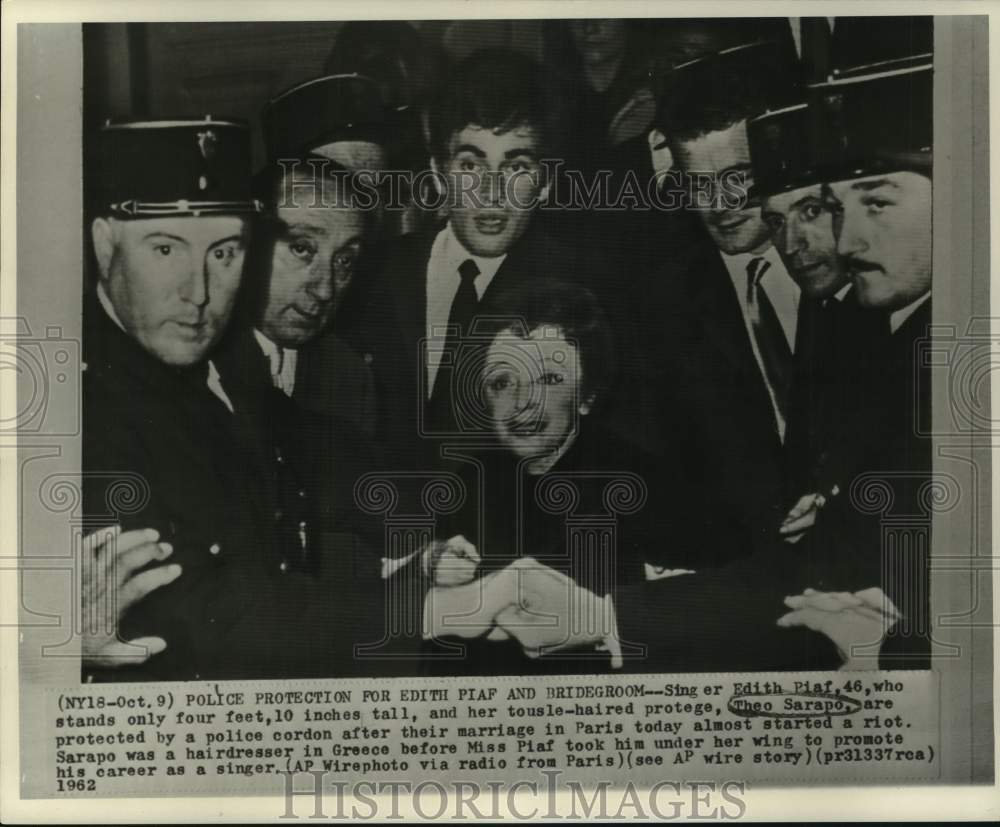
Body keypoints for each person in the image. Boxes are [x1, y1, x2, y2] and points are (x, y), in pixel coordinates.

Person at [81, 118, 391, 681]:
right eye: (166, 248)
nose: (198, 293)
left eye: (224, 253)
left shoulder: (209, 364)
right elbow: (215, 614)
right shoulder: (80, 405)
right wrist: (426, 609)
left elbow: (327, 456)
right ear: (105, 245)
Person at [419, 280, 695, 674]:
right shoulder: (469, 483)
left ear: (587, 396)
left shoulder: (647, 487)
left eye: (548, 380)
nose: (521, 404)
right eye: (502, 382)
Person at [355, 49, 611, 471]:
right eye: (472, 165)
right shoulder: (373, 272)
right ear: (438, 171)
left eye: (516, 167)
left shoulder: (583, 288)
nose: (493, 192)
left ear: (545, 184)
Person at [636, 37, 805, 564]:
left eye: (739, 180)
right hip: (748, 559)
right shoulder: (667, 301)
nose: (720, 205)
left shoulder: (841, 260)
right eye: (698, 185)